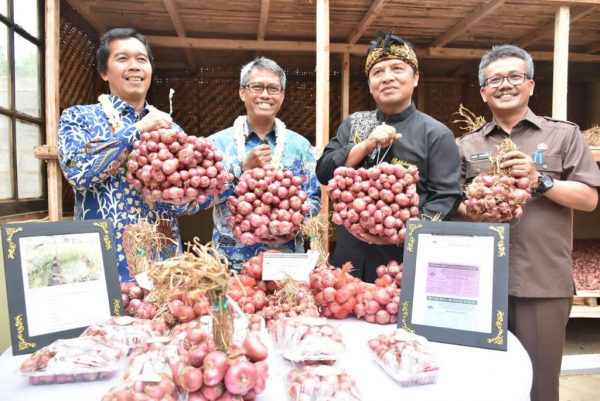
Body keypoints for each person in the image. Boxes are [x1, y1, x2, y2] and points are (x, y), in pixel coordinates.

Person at [457, 44, 600, 401]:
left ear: (531, 85)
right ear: (483, 91)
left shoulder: (563, 135)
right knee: (485, 383)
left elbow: (589, 199)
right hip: (482, 283)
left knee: (539, 386)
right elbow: (453, 208)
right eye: (495, 79)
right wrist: (472, 205)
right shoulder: (466, 144)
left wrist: (541, 180)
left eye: (514, 76)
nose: (505, 85)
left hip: (542, 281)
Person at [316, 31, 462, 283]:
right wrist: (366, 145)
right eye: (377, 72)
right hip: (349, 259)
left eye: (397, 68)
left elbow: (447, 197)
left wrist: (403, 230)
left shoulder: (436, 133)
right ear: (370, 84)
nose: (387, 78)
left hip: (403, 261)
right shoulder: (354, 124)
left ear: (415, 78)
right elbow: (324, 172)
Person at [58, 28, 198, 282]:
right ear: (103, 72)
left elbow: (187, 204)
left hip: (162, 265)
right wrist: (135, 131)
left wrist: (193, 192)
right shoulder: (78, 117)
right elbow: (78, 173)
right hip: (100, 264)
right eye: (122, 59)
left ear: (150, 71)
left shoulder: (170, 129)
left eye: (142, 59)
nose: (134, 66)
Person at [206, 57, 321, 270]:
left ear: (282, 95)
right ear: (242, 92)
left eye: (273, 89)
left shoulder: (300, 146)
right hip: (230, 262)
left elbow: (314, 199)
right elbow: (202, 199)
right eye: (257, 87)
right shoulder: (216, 145)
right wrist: (241, 170)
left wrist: (289, 226)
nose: (265, 95)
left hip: (285, 262)